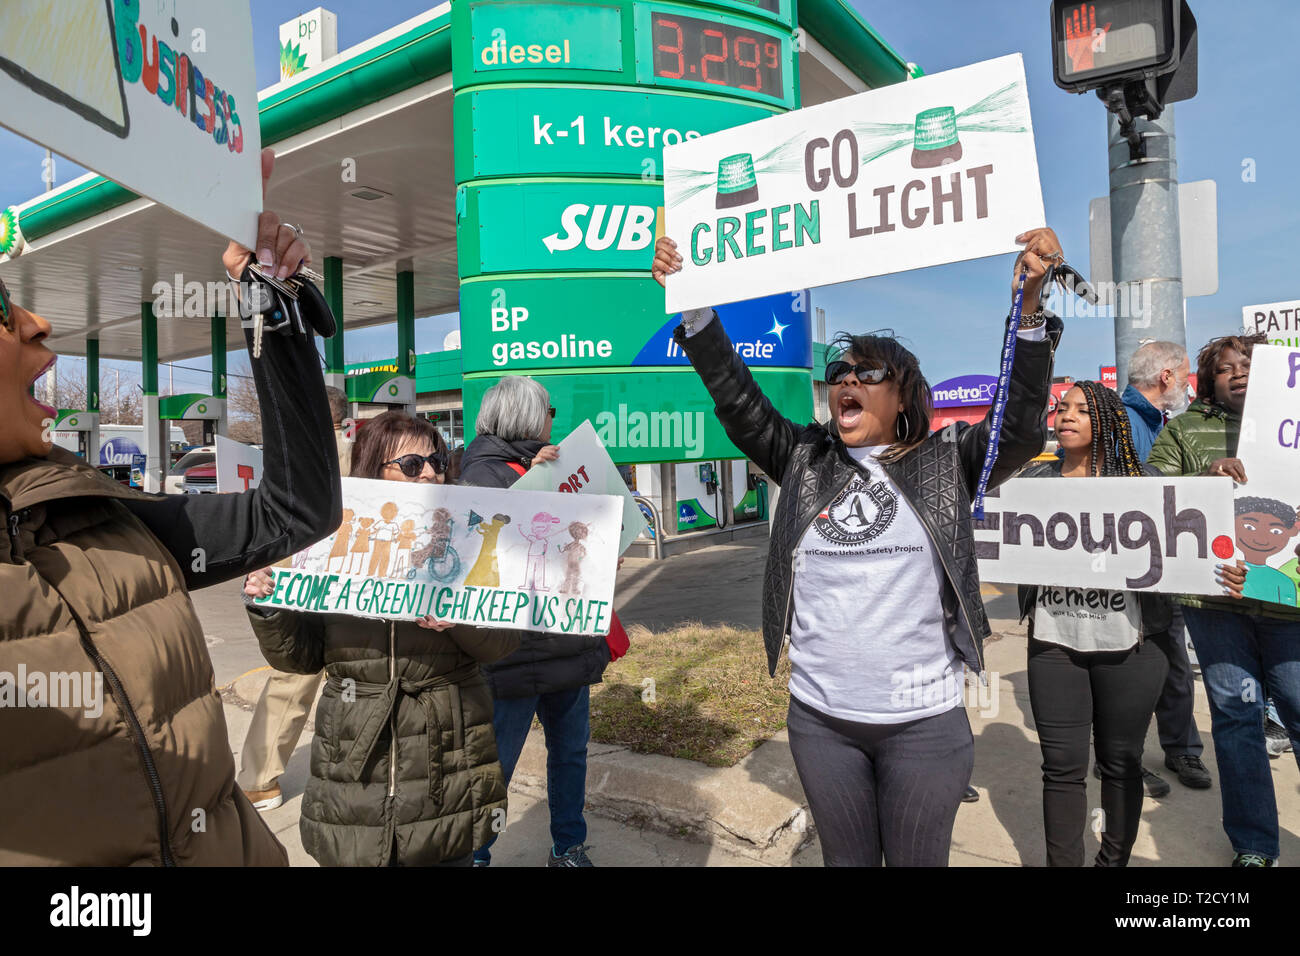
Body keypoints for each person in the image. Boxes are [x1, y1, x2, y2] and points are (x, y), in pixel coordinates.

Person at [651, 227, 1065, 866]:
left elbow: (1017, 427)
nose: (847, 379)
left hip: (923, 726)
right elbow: (740, 403)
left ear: (903, 396)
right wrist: (696, 307)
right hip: (821, 722)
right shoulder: (803, 457)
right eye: (839, 372)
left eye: (868, 373)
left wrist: (1029, 311)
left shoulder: (946, 459)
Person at [0, 149, 341, 865]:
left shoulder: (97, 512)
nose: (36, 323)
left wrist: (268, 302)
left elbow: (294, 513)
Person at [242, 411, 517, 867]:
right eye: (412, 464)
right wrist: (269, 604)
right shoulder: (327, 539)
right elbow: (300, 657)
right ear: (373, 470)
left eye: (438, 459)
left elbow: (502, 644)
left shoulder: (469, 534)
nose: (430, 471)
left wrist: (461, 619)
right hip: (351, 759)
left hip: (447, 756)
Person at [1147, 332, 1300, 866]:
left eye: (1248, 364)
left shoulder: (1294, 428)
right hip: (1215, 606)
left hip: (1289, 605)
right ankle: (1255, 846)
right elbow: (1150, 487)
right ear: (1209, 380)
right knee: (1236, 720)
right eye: (1224, 367)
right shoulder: (1188, 430)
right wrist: (1201, 478)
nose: (1237, 373)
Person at [461, 376, 613, 868]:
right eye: (549, 408)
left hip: (566, 641)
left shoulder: (543, 464)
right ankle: (475, 853)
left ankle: (568, 846)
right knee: (497, 764)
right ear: (527, 415)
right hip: (514, 652)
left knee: (570, 756)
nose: (554, 417)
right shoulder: (482, 474)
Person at [1019, 382, 1173, 866]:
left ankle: (1112, 863)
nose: (1066, 416)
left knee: (1120, 764)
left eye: (1082, 410)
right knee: (1061, 769)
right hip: (1054, 643)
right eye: (1062, 408)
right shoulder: (1030, 482)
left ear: (1107, 421)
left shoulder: (1147, 483)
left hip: (1133, 645)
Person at [238, 387, 352, 811]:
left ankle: (257, 779)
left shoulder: (292, 457)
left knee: (292, 680)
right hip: (352, 584)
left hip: (295, 580)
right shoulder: (355, 452)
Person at [1116, 342, 1210, 794]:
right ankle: (1128, 757)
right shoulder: (1125, 420)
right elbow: (1137, 493)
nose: (1188, 384)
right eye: (1185, 374)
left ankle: (1179, 749)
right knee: (1145, 661)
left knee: (1169, 657)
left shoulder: (1153, 420)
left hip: (1158, 564)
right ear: (1167, 377)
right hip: (1139, 565)